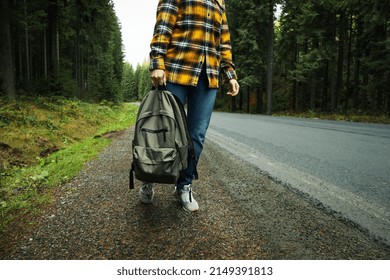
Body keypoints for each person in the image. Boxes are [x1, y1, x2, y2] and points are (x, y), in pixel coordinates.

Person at [140, 0, 239, 212]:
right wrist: (157, 61)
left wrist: (229, 73)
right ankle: (148, 177)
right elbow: (163, 24)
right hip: (177, 69)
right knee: (163, 131)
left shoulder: (219, 1)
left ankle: (183, 186)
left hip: (208, 75)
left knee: (196, 135)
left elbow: (224, 41)